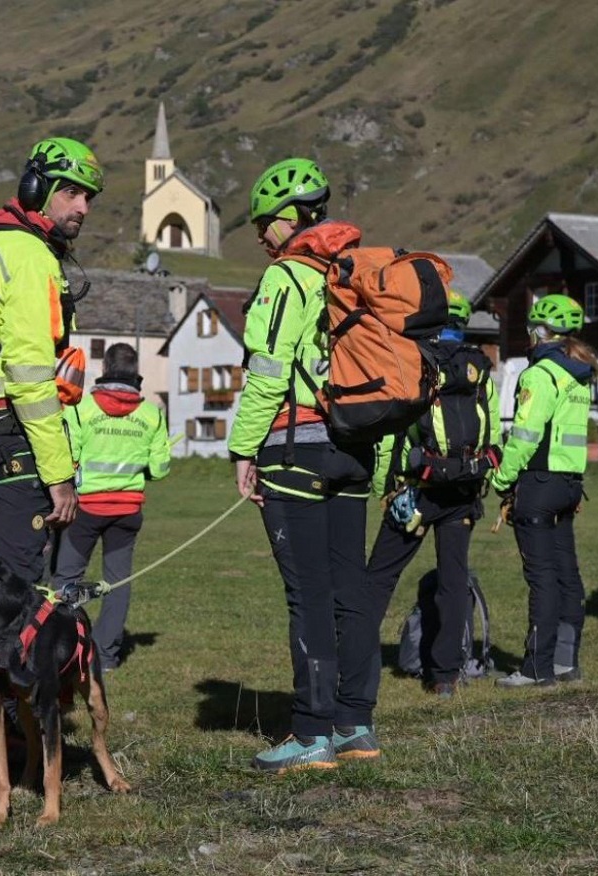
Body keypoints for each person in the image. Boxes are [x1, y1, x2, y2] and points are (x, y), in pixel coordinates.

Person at [0, 136, 104, 751]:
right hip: (13, 443)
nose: (81, 206)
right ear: (36, 189)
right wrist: (58, 473)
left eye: (88, 196)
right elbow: (32, 372)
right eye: (69, 191)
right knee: (12, 600)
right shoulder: (30, 257)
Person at [228, 157, 377, 773]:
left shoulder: (286, 278)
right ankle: (355, 725)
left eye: (264, 223)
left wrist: (243, 448)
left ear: (289, 219)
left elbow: (267, 371)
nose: (261, 235)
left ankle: (311, 734)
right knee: (351, 592)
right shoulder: (354, 275)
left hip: (297, 447)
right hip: (356, 451)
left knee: (307, 594)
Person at [365, 290, 502, 697]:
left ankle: (352, 659)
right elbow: (491, 428)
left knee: (379, 577)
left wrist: (383, 487)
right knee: (453, 579)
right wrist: (483, 479)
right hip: (463, 489)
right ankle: (444, 675)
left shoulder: (413, 364)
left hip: (418, 490)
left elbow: (391, 434)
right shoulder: (478, 367)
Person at [488, 294, 598, 688]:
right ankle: (567, 662)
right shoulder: (579, 372)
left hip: (538, 483)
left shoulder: (540, 375)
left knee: (542, 577)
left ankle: (537, 668)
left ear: (538, 331)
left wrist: (502, 479)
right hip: (570, 484)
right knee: (567, 572)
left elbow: (526, 435)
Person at [52, 342, 172, 672]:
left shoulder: (81, 408)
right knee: (116, 583)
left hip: (85, 510)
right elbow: (160, 470)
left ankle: (60, 649)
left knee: (66, 580)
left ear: (104, 369)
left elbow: (67, 457)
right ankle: (105, 657)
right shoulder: (152, 414)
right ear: (136, 373)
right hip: (127, 511)